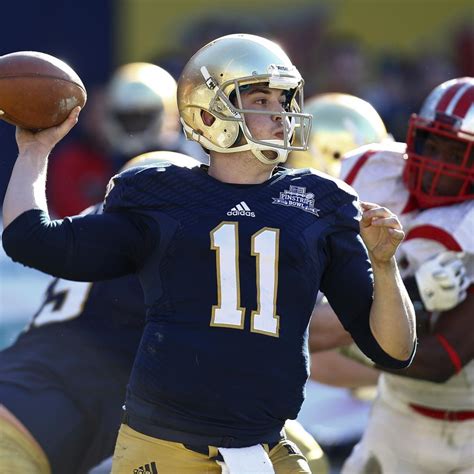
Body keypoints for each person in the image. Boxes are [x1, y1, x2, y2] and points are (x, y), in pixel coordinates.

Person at [2, 34, 416, 473]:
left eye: (285, 99)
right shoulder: (158, 192)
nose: (282, 114)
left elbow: (393, 351)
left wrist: (385, 265)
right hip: (165, 448)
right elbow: (31, 239)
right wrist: (35, 150)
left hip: (264, 445)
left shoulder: (321, 201)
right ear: (209, 113)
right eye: (262, 99)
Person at [335, 77, 474, 474]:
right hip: (398, 413)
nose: (437, 161)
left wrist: (348, 338)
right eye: (431, 143)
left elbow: (442, 360)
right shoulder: (379, 182)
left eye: (458, 152)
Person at [46, 62, 206, 218]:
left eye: (141, 117)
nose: (133, 126)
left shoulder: (186, 161)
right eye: (126, 118)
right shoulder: (103, 159)